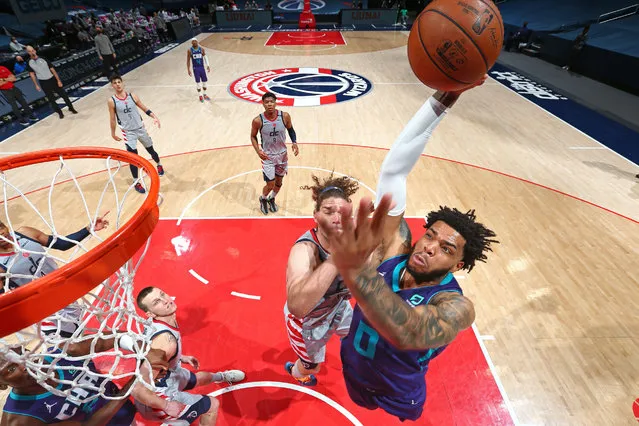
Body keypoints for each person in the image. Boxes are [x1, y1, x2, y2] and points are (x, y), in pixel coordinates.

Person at [326, 76, 499, 422]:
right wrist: (442, 101)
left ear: (459, 265)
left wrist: (357, 270)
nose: (430, 247)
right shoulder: (397, 250)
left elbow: (410, 332)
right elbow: (394, 172)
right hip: (353, 369)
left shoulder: (455, 305)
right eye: (431, 234)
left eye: (446, 248)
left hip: (399, 392)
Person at [283, 174, 361, 386]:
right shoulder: (304, 250)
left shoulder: (354, 238)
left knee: (358, 336)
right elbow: (297, 306)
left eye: (343, 212)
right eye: (328, 212)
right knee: (312, 366)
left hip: (337, 307)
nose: (337, 218)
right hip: (307, 322)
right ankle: (297, 373)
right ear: (315, 215)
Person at [135, 286, 246, 425]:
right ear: (150, 313)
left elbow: (150, 351)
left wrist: (178, 357)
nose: (165, 301)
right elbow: (137, 388)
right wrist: (166, 406)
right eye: (157, 302)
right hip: (158, 397)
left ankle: (223, 377)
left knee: (202, 377)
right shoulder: (166, 343)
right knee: (212, 405)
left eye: (162, 294)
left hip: (170, 375)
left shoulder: (160, 322)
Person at [0, 338, 171, 425]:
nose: (24, 365)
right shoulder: (21, 420)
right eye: (10, 369)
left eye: (22, 354)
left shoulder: (64, 352)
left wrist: (145, 350)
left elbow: (113, 338)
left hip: (126, 410)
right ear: (1, 385)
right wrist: (135, 382)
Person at [0, 215, 109, 336]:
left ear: (5, 226)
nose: (1, 234)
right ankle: (123, 341)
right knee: (70, 346)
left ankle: (123, 341)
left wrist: (88, 229)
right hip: (41, 308)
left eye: (1, 228)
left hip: (63, 291)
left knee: (78, 337)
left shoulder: (26, 233)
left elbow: (61, 244)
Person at [107, 74, 164, 194]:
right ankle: (136, 181)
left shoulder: (132, 96)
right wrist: (113, 133)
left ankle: (158, 164)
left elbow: (144, 108)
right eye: (115, 83)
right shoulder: (112, 101)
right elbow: (112, 119)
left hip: (140, 129)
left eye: (119, 82)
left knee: (151, 150)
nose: (117, 84)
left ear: (123, 83)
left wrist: (154, 116)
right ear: (112, 85)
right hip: (128, 133)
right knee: (133, 158)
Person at [250, 92, 299, 215]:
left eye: (272, 101)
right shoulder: (257, 120)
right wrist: (258, 151)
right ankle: (263, 198)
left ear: (275, 102)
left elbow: (291, 130)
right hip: (268, 157)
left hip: (282, 155)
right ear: (263, 104)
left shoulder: (285, 116)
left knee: (279, 183)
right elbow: (253, 136)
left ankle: (272, 198)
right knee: (270, 184)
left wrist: (294, 142)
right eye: (267, 102)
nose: (270, 104)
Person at [25, 46, 77, 119]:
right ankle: (59, 112)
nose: (32, 52)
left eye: (32, 50)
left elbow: (52, 69)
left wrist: (58, 80)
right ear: (28, 53)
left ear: (35, 50)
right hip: (43, 82)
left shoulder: (43, 58)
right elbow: (32, 74)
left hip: (52, 79)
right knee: (51, 99)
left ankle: (71, 107)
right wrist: (36, 85)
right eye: (30, 51)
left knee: (64, 95)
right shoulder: (29, 62)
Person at [186, 38, 211, 103]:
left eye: (195, 41)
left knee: (205, 82)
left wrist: (208, 65)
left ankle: (205, 94)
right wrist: (188, 69)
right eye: (193, 41)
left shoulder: (202, 49)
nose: (194, 42)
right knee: (198, 83)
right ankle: (200, 95)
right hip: (196, 68)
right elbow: (188, 61)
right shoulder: (189, 50)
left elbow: (205, 57)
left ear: (197, 42)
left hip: (202, 68)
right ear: (191, 43)